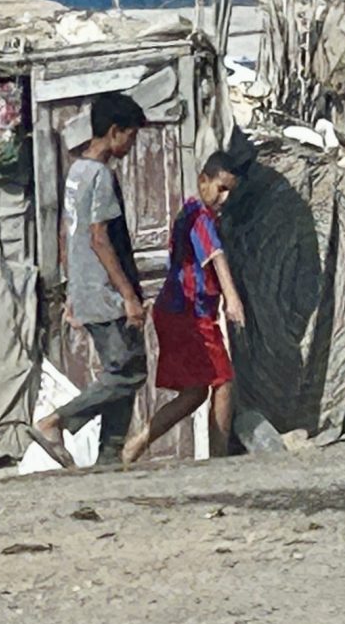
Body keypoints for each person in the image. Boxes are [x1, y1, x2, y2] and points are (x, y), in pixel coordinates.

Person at [28, 93, 147, 469]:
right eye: (131, 136)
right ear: (114, 132)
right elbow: (98, 238)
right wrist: (128, 294)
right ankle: (56, 421)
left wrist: (71, 289)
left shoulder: (76, 172)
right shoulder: (100, 176)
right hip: (105, 291)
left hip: (86, 288)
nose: (131, 144)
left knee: (122, 370)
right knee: (129, 372)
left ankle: (109, 458)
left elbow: (67, 234)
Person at [123, 154, 247, 463]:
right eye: (220, 188)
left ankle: (134, 446)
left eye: (230, 192)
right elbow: (216, 255)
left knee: (196, 392)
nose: (224, 198)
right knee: (223, 381)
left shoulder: (194, 212)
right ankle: (219, 459)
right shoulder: (199, 216)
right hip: (187, 314)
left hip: (180, 312)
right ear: (203, 180)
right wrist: (232, 299)